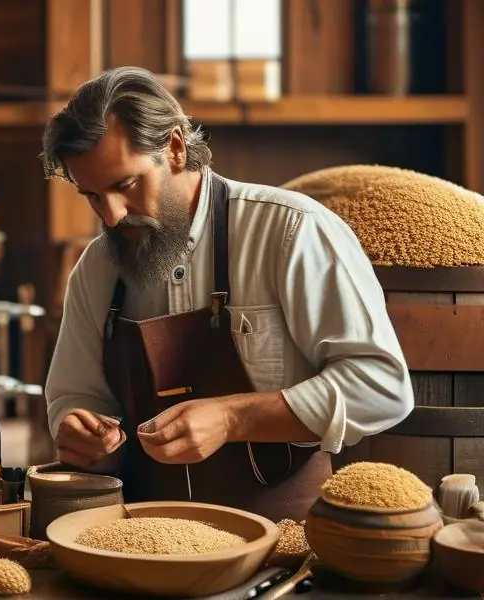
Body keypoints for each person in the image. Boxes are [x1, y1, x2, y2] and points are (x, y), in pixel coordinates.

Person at [39, 66, 414, 522]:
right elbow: (74, 397)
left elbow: (382, 387)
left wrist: (235, 418)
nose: (112, 216)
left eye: (126, 185)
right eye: (92, 196)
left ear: (175, 149)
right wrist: (82, 433)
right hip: (142, 543)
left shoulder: (291, 231)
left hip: (286, 539)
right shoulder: (96, 269)